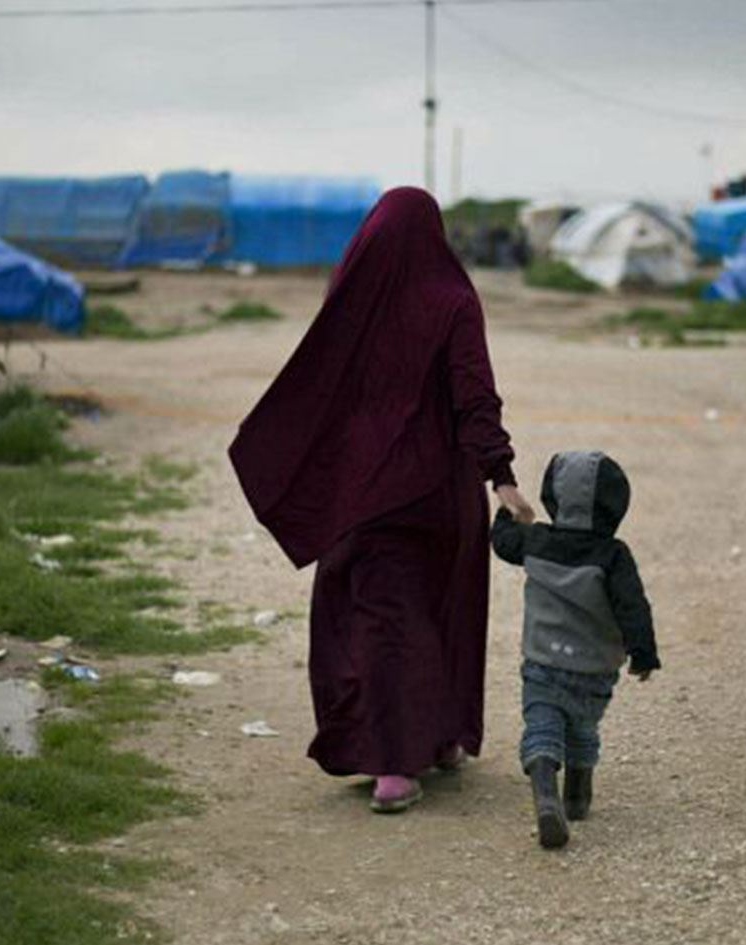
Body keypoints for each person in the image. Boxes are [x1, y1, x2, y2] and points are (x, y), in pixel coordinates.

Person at [229, 187, 535, 814]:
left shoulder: (352, 298)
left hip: (361, 492)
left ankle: (393, 764)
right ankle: (439, 739)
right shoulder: (453, 298)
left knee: (376, 622)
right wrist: (500, 476)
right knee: (440, 610)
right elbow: (474, 392)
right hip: (439, 494)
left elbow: (314, 388)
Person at [490, 450, 660, 849]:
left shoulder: (536, 541)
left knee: (543, 725)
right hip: (594, 670)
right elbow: (633, 606)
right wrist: (644, 654)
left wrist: (508, 512)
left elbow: (502, 542)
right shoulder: (614, 556)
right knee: (583, 728)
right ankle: (578, 795)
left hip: (543, 662)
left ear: (553, 498)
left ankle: (545, 790)